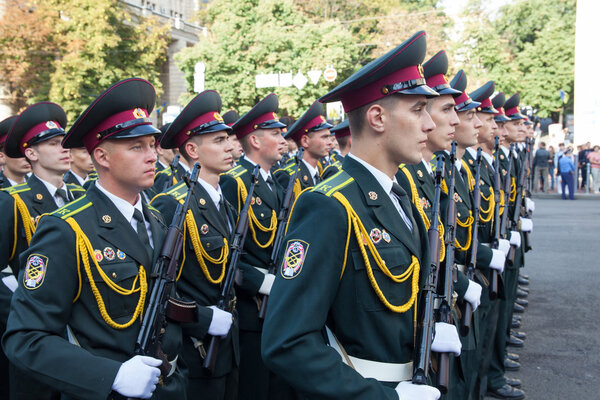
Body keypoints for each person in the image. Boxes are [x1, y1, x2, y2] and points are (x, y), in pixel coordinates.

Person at [262, 31, 462, 400]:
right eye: (418, 110)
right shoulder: (328, 206)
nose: (430, 124)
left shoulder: (401, 196)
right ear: (377, 117)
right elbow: (287, 342)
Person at [2, 78, 186, 400]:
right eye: (135, 146)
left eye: (151, 145)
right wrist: (110, 376)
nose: (152, 156)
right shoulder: (66, 228)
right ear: (101, 156)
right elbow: (25, 338)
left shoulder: (156, 220)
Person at [151, 90, 238, 399]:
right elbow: (162, 286)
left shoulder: (221, 199)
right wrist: (202, 319)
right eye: (218, 140)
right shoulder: (172, 204)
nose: (229, 146)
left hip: (229, 344)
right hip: (196, 347)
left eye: (227, 138)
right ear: (192, 149)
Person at [219, 93, 292, 400]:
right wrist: (264, 283)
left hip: (275, 305)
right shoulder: (235, 182)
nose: (283, 138)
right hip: (251, 309)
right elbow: (230, 252)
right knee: (254, 387)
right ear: (255, 141)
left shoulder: (273, 181)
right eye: (275, 133)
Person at [274, 101, 332, 191]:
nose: (330, 143)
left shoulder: (319, 171)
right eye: (324, 137)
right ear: (305, 141)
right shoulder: (289, 176)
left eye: (329, 137)